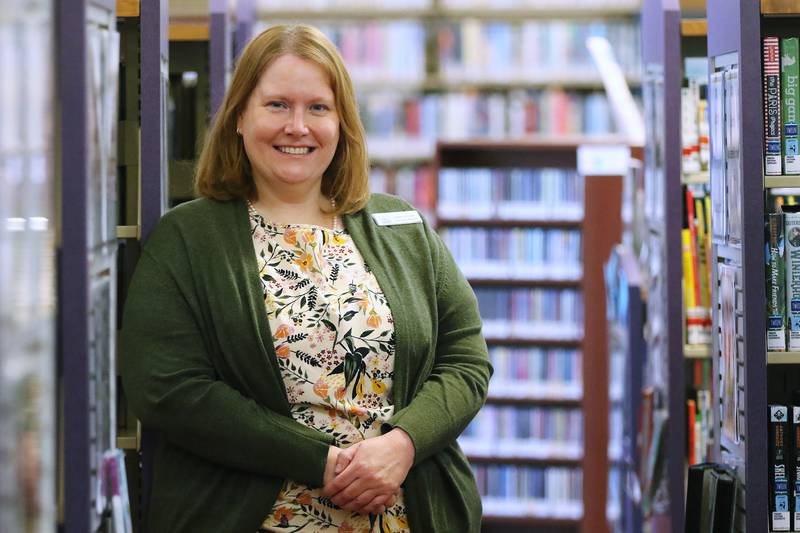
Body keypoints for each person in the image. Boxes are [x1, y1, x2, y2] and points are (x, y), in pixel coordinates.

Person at [120, 23, 491, 533]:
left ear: (342, 125)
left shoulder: (402, 227)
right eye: (277, 105)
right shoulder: (187, 237)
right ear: (239, 119)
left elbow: (465, 360)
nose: (298, 126)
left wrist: (401, 444)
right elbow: (167, 388)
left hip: (412, 515)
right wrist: (323, 461)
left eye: (318, 108)